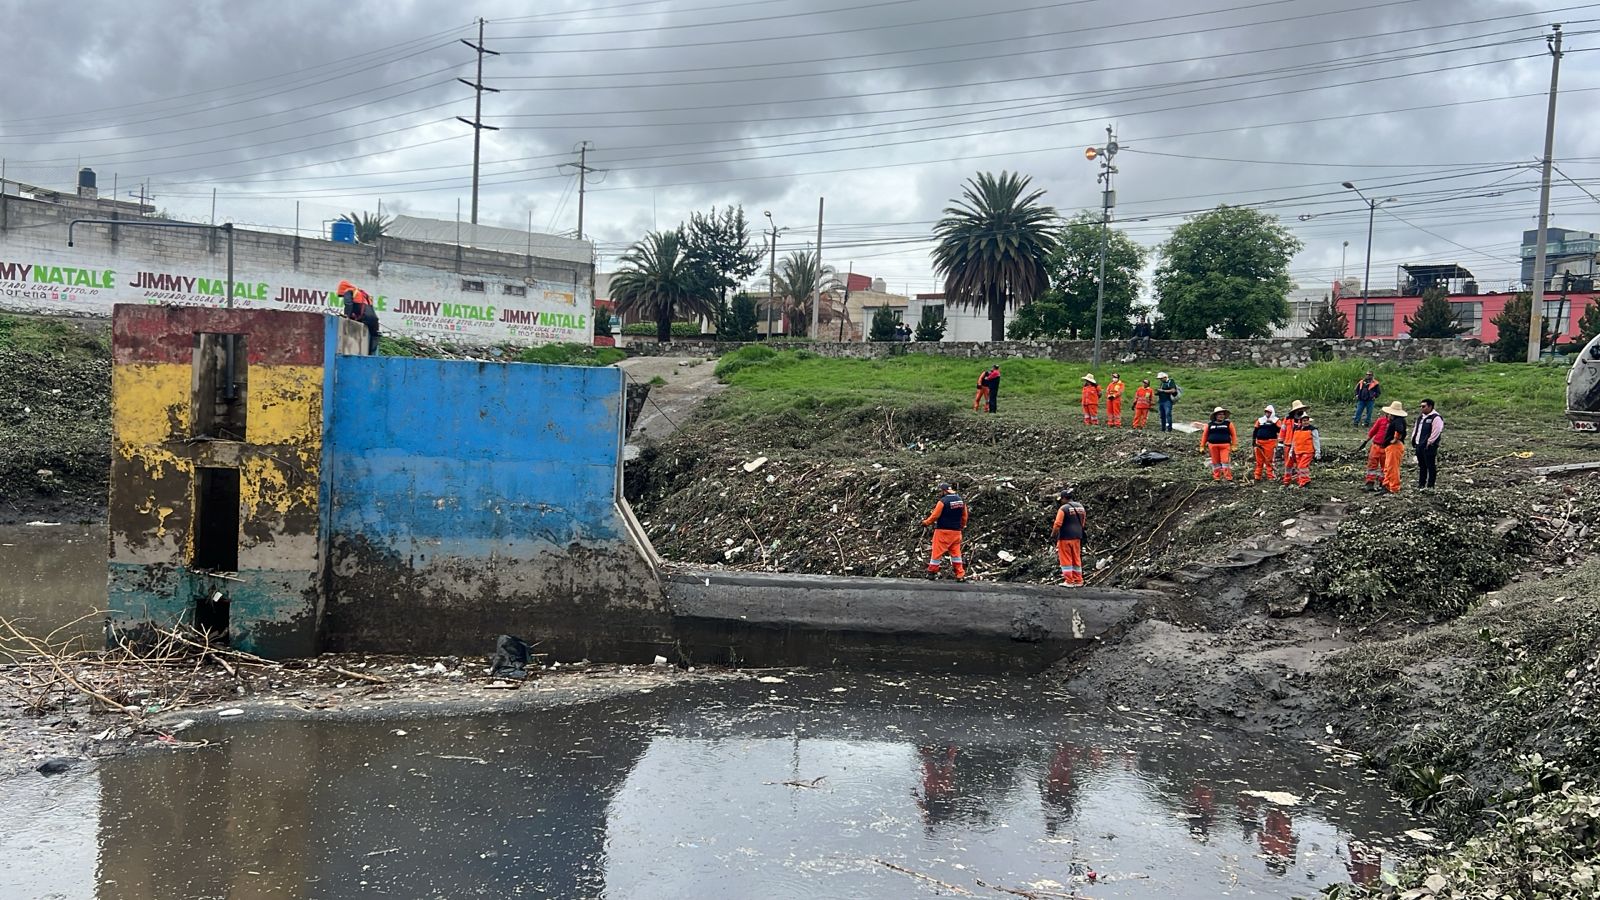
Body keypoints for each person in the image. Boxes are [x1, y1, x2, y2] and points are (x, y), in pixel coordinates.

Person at [921, 483, 968, 581]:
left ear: (944, 491)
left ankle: (932, 572)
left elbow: (935, 516)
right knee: (956, 554)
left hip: (943, 532)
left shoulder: (943, 501)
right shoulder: (961, 501)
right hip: (956, 533)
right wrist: (962, 526)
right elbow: (964, 516)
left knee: (937, 553)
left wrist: (926, 523)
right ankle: (960, 574)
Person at [1050, 488, 1088, 587]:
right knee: (1076, 558)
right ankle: (1078, 580)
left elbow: (1057, 524)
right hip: (1077, 537)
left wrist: (1053, 535)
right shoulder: (1081, 507)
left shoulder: (1063, 509)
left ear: (1063, 498)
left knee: (1066, 559)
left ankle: (1069, 581)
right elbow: (1083, 522)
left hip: (1065, 537)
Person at [337, 279, 380, 354]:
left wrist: (346, 316)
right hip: (374, 319)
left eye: (342, 296)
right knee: (374, 336)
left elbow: (348, 304)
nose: (343, 297)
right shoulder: (363, 294)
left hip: (363, 318)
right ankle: (371, 355)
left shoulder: (349, 291)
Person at [1281, 401, 1318, 487]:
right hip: (1288, 443)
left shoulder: (1304, 419)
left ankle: (1300, 480)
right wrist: (1280, 443)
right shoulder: (1287, 419)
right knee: (1288, 465)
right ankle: (1287, 480)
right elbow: (1283, 430)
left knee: (1299, 464)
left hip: (1299, 444)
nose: (1299, 410)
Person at [1377, 400, 1408, 494]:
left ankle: (1394, 488)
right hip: (1391, 447)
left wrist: (1395, 439)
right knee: (1388, 467)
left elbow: (1399, 430)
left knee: (1392, 468)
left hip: (1394, 446)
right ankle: (1386, 485)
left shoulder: (1398, 421)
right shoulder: (1398, 420)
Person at [1412, 398, 1444, 488]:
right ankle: (1421, 484)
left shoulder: (1436, 417)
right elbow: (1416, 429)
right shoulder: (1421, 417)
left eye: (1423, 406)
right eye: (1421, 406)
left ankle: (1430, 485)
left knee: (1430, 466)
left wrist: (1429, 442)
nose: (1422, 408)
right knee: (1422, 465)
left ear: (1430, 407)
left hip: (1429, 445)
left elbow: (1436, 431)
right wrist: (1414, 440)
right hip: (1419, 444)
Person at [1199, 406, 1237, 482]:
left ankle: (1228, 477)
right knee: (1215, 462)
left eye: (1222, 414)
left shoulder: (1228, 424)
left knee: (1225, 461)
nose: (1221, 416)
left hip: (1225, 445)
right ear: (1215, 415)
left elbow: (1233, 435)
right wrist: (1202, 446)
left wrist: (1234, 445)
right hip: (1212, 446)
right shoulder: (1210, 425)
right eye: (1219, 414)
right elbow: (1205, 435)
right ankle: (1217, 477)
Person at [1362, 411, 1390, 492]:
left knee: (1385, 467)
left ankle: (1383, 483)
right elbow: (1373, 431)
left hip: (1386, 447)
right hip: (1376, 445)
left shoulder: (1396, 423)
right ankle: (1369, 483)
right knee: (1372, 465)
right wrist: (1365, 441)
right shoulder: (1381, 420)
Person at [1252, 405, 1280, 482]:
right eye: (1266, 412)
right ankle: (1257, 476)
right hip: (1259, 442)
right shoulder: (1260, 420)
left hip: (1270, 442)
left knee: (1269, 460)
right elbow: (1255, 430)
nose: (1267, 414)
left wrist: (1273, 424)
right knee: (1259, 460)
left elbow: (1280, 430)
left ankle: (1270, 476)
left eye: (1269, 412)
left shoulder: (1276, 421)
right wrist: (1254, 441)